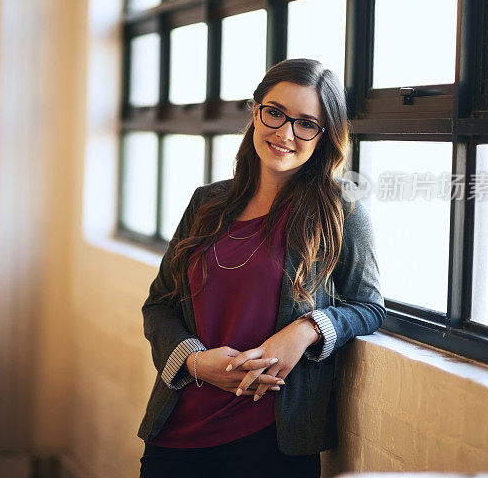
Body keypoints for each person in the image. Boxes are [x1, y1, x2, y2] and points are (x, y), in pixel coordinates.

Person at [137, 58, 385, 477]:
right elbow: (158, 305)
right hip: (177, 433)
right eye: (275, 113)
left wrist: (306, 330)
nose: (285, 133)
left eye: (307, 123)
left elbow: (370, 306)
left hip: (271, 440)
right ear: (256, 112)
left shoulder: (340, 210)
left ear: (324, 136)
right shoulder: (206, 203)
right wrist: (195, 362)